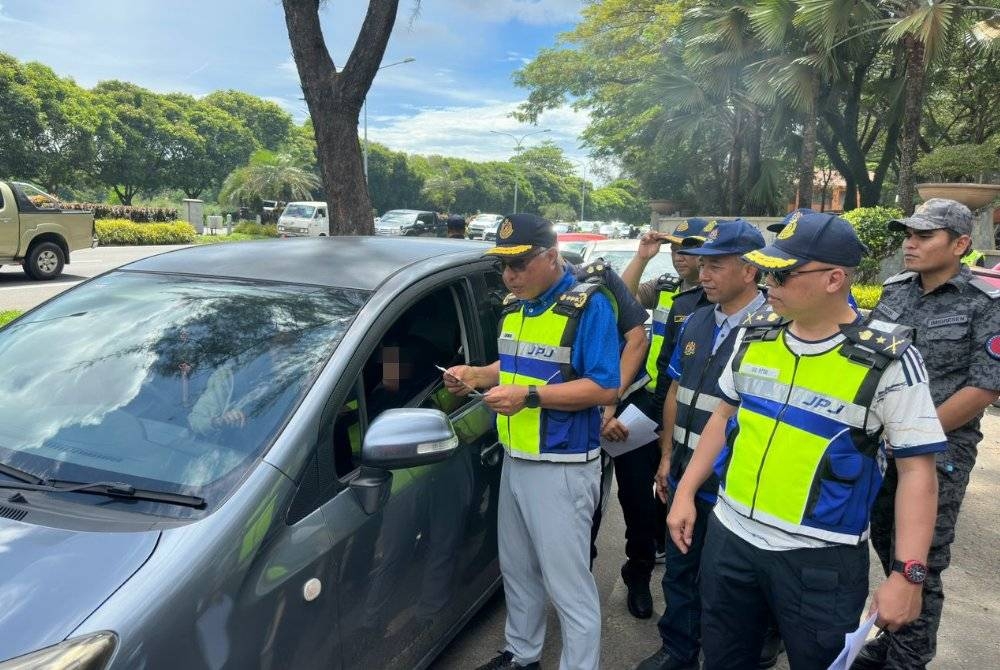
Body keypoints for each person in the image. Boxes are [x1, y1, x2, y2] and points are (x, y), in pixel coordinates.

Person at [667, 212, 946, 669]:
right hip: (731, 538)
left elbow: (918, 471)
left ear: (835, 278)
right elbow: (723, 416)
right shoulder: (754, 337)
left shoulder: (888, 361)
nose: (767, 283)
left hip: (819, 559)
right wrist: (683, 492)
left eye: (782, 273)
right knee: (722, 658)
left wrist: (908, 575)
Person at [445, 213, 620, 670]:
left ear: (551, 256)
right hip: (516, 458)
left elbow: (604, 387)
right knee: (517, 572)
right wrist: (474, 375)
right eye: (504, 265)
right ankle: (522, 656)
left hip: (562, 465)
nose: (510, 275)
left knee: (569, 587)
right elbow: (515, 366)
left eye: (520, 264)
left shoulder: (588, 306)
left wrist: (530, 397)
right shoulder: (516, 305)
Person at [854, 199, 1000, 670]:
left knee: (920, 563)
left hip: (940, 451)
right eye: (908, 235)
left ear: (960, 244)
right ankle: (894, 639)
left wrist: (915, 434)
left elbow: (984, 386)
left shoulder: (985, 305)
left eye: (923, 236)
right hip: (881, 446)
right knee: (884, 541)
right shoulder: (895, 291)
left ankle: (908, 657)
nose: (909, 244)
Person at [637, 219, 766, 670]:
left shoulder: (773, 330)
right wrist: (668, 458)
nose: (703, 273)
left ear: (750, 270)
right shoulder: (694, 321)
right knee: (680, 570)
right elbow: (675, 391)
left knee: (731, 584)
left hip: (735, 484)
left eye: (716, 265)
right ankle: (678, 651)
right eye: (703, 264)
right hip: (685, 472)